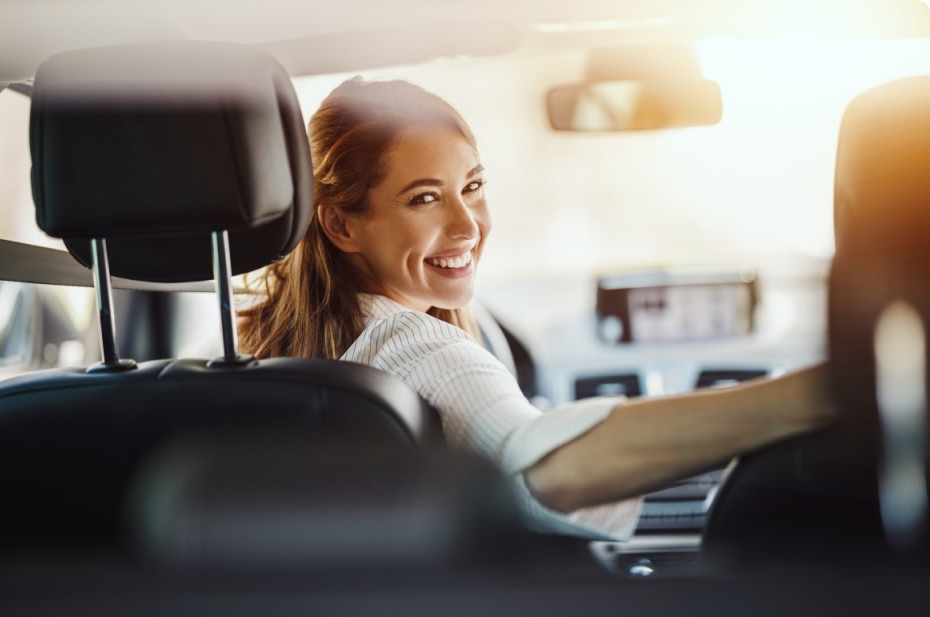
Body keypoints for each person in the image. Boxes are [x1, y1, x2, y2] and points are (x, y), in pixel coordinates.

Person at [238, 76, 836, 540]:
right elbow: (545, 468)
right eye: (425, 198)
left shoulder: (259, 354)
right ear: (341, 224)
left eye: (472, 186)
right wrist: (826, 392)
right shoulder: (412, 344)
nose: (467, 225)